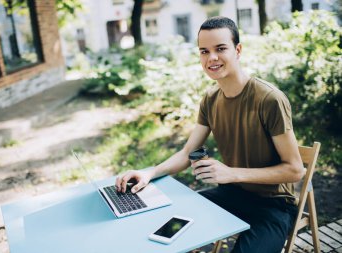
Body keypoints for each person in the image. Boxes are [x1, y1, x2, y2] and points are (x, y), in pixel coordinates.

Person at [115, 16, 304, 253]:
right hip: (232, 195)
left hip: (273, 205)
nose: (211, 58)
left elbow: (295, 170)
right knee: (165, 227)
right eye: (204, 51)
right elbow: (187, 153)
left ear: (238, 50)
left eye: (220, 49)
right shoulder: (210, 99)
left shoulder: (269, 99)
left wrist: (231, 173)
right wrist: (148, 173)